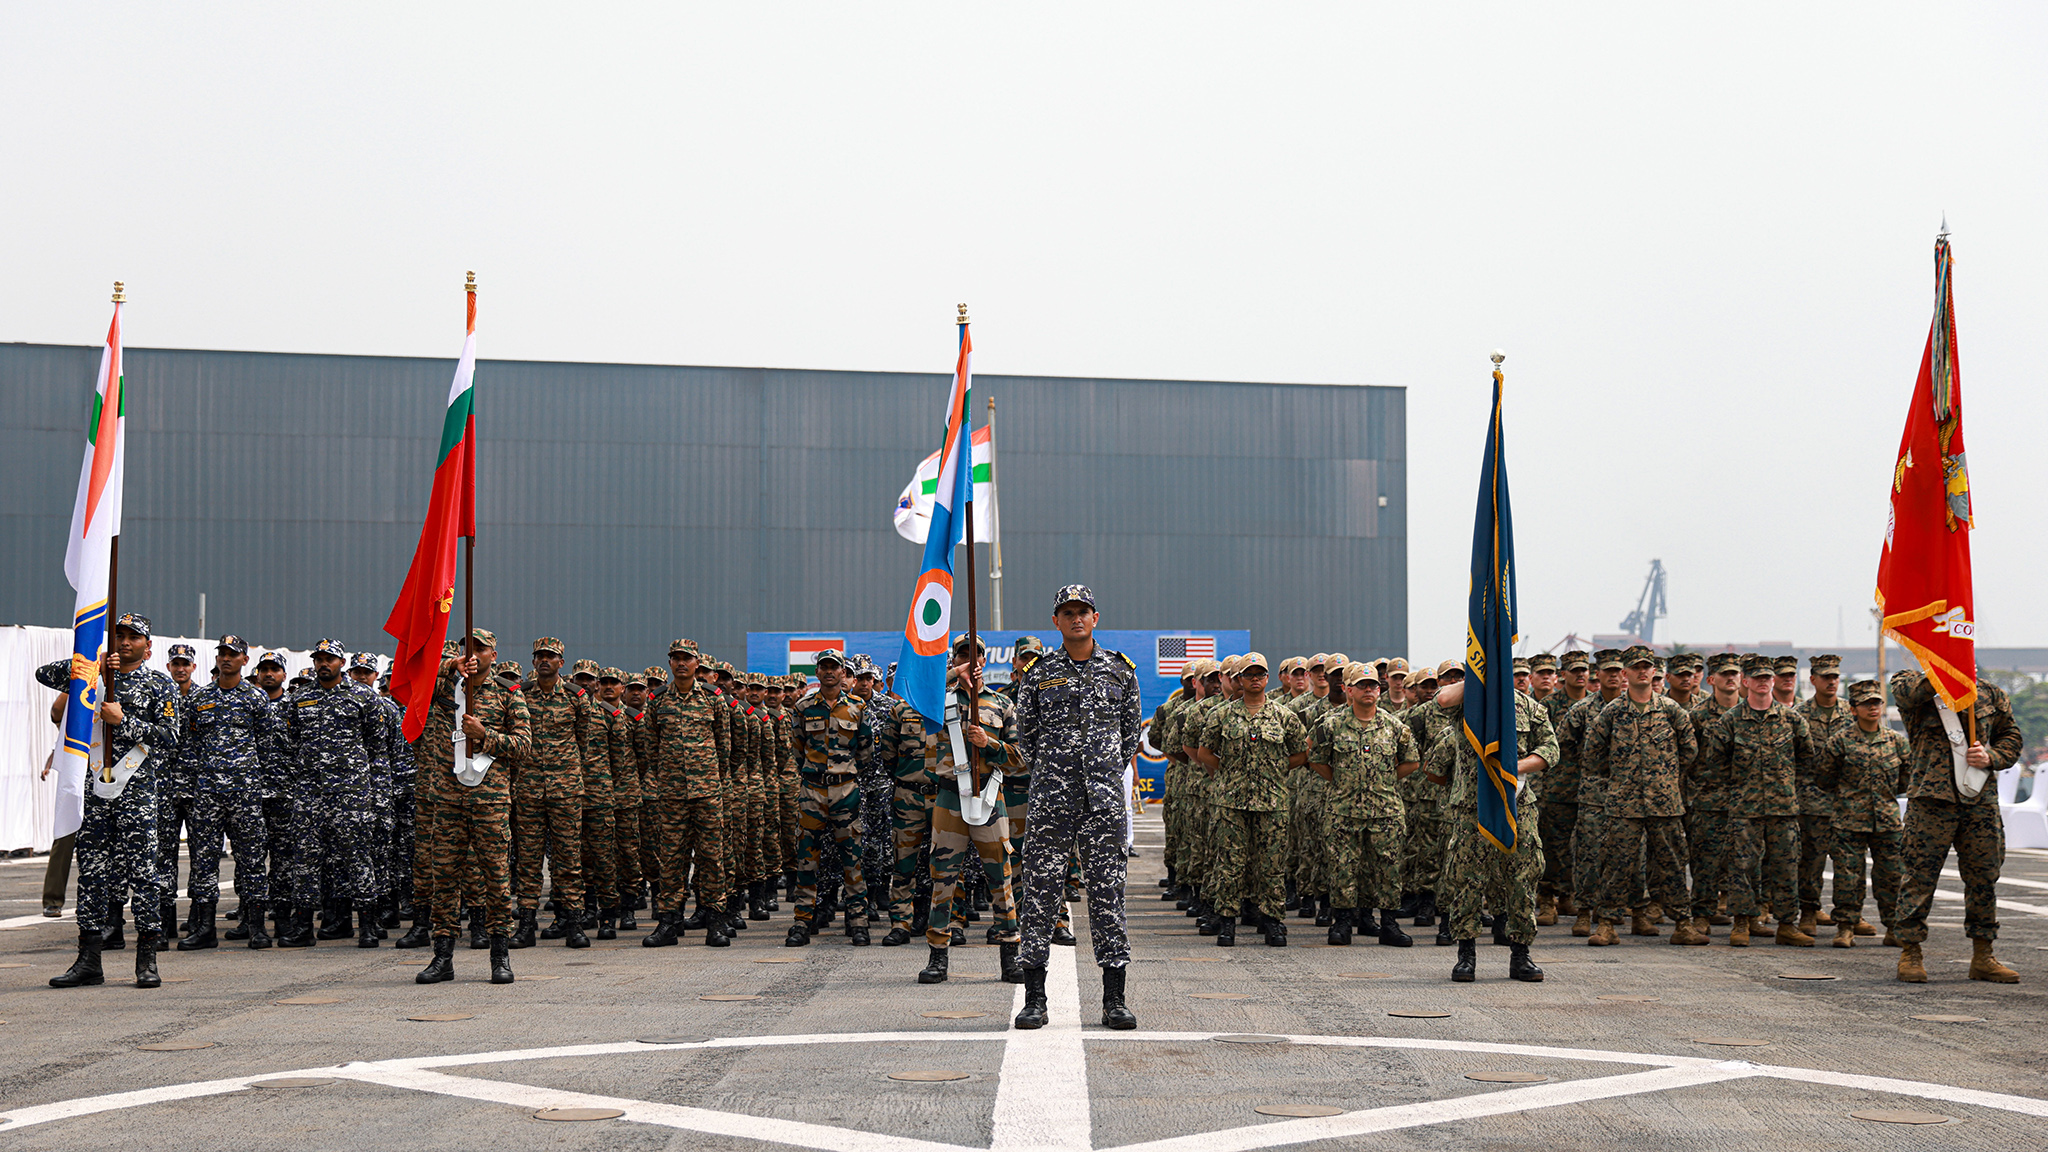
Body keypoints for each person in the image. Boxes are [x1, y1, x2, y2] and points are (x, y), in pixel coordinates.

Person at [1012, 585, 1144, 1031]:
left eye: (1082, 612)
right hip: (1052, 799)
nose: (1076, 619)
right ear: (1056, 621)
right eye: (1067, 613)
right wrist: (1055, 771)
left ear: (1095, 617)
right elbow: (1026, 736)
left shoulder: (1120, 671)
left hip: (1103, 802)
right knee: (1040, 894)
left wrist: (1102, 772)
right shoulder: (1039, 672)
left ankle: (1114, 999)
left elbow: (1128, 737)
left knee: (1108, 896)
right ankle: (1034, 999)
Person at [41, 613, 179, 990]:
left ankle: (146, 959)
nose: (125, 642)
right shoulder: (93, 675)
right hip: (95, 793)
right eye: (118, 635)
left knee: (144, 876)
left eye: (133, 637)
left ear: (147, 646)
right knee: (93, 875)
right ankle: (88, 960)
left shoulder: (158, 684)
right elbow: (44, 674)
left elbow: (170, 736)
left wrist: (125, 721)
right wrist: (95, 665)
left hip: (136, 793)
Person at [890, 636, 1026, 984]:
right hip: (949, 799)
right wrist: (953, 673)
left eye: (974, 654)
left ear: (983, 658)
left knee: (1001, 879)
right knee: (943, 880)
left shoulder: (1001, 705)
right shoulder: (938, 701)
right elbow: (912, 690)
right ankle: (938, 957)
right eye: (962, 654)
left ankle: (1010, 953)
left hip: (990, 798)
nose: (970, 659)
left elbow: (1021, 757)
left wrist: (989, 744)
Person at [1890, 666, 2023, 983]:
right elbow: (1907, 697)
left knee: (1984, 876)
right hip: (1931, 798)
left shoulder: (1990, 693)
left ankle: (1983, 955)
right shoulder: (1912, 683)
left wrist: (1991, 756)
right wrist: (1943, 669)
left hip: (1979, 798)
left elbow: (2012, 736)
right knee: (1919, 876)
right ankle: (1910, 952)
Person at [412, 629, 531, 985]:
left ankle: (500, 956)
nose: (474, 654)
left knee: (495, 877)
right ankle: (442, 956)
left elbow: (524, 746)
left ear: (494, 655)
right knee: (444, 878)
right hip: (448, 797)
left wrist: (486, 735)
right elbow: (414, 684)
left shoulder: (509, 695)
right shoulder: (446, 687)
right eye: (468, 649)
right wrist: (450, 665)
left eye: (481, 649)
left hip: (489, 799)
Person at [1427, 668, 1555, 983]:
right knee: (1467, 880)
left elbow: (1549, 750)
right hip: (1472, 805)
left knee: (1521, 878)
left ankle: (1521, 954)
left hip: (1517, 805)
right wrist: (1477, 670)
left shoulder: (1529, 707)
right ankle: (1466, 954)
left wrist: (1513, 768)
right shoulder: (1467, 702)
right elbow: (1441, 698)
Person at [1581, 645, 1703, 945]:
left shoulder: (1671, 710)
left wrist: (1665, 776)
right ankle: (1608, 924)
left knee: (1673, 863)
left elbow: (1690, 750)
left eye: (1647, 666)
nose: (1643, 671)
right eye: (1636, 667)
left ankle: (1683, 924)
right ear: (1625, 674)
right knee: (1616, 864)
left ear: (1654, 672)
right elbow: (1593, 753)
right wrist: (1620, 778)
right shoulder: (1612, 712)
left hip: (1665, 802)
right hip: (1624, 802)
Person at [1698, 655, 1815, 947]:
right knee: (1742, 866)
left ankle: (1787, 924)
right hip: (1744, 808)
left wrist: (1787, 787)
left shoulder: (1792, 720)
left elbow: (1806, 761)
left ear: (1773, 682)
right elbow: (1716, 763)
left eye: (1767, 678)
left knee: (1786, 866)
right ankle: (1742, 922)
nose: (1763, 683)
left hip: (1783, 807)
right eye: (1757, 678)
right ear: (1746, 682)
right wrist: (1739, 790)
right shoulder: (1730, 721)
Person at [1193, 652, 1308, 947]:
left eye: (1260, 675)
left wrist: (1277, 771)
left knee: (1271, 864)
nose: (1255, 679)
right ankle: (1227, 922)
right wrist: (1229, 772)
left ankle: (1272, 921)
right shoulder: (1222, 715)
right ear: (1239, 680)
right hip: (1230, 802)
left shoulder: (1284, 716)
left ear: (1267, 679)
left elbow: (1300, 752)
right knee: (1229, 864)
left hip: (1272, 802)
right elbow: (1205, 752)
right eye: (1249, 675)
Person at [176, 635, 283, 951]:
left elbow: (267, 745)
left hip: (245, 793)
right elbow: (190, 743)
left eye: (233, 655)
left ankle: (256, 927)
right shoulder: (200, 698)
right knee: (204, 860)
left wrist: (261, 786)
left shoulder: (255, 698)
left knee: (251, 859)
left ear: (244, 660)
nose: (226, 659)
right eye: (222, 653)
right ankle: (205, 928)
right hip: (208, 793)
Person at [282, 639, 389, 949]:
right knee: (306, 859)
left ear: (342, 663)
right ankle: (304, 927)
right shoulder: (300, 699)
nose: (323, 663)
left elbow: (376, 744)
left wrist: (371, 788)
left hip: (350, 792)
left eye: (330, 659)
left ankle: (368, 926)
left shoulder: (363, 698)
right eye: (319, 659)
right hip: (311, 793)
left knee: (358, 857)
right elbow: (287, 740)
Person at [1308, 662, 1420, 946]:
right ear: (1349, 690)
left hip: (1386, 810)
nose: (1369, 690)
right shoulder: (1331, 725)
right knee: (1342, 867)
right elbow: (1317, 760)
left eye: (1373, 686)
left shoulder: (1395, 726)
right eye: (1362, 685)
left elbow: (1412, 761)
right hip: (1342, 809)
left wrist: (1384, 780)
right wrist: (1343, 782)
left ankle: (1389, 924)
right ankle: (1342, 922)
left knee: (1388, 868)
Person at [643, 640, 728, 947]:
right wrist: (665, 777)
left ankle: (715, 921)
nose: (681, 663)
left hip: (706, 792)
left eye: (687, 659)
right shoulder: (657, 700)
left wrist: (714, 780)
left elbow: (724, 745)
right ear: (670, 663)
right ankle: (668, 922)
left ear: (697, 663)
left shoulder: (713, 699)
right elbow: (650, 746)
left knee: (711, 857)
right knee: (671, 858)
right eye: (676, 658)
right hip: (672, 793)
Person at [787, 649, 874, 947]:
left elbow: (864, 751)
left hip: (846, 791)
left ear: (841, 672)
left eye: (833, 667)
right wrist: (814, 774)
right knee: (807, 858)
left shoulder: (857, 708)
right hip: (812, 790)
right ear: (817, 673)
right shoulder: (803, 707)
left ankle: (859, 922)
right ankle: (802, 922)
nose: (828, 672)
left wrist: (845, 776)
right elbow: (797, 748)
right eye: (823, 667)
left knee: (852, 858)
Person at [1815, 679, 1907, 949]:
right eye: (1866, 704)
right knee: (1848, 877)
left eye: (1876, 703)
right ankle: (1845, 927)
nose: (1872, 708)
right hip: (1848, 821)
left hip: (1887, 820)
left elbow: (1906, 779)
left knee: (1891, 876)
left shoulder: (1896, 742)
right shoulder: (1840, 742)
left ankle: (1893, 926)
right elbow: (1824, 778)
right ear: (1853, 709)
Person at [1794, 654, 1852, 935]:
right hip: (1811, 800)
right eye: (1826, 677)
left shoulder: (1853, 713)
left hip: (1848, 802)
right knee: (1811, 861)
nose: (1831, 681)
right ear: (1813, 679)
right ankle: (1808, 911)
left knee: (1848, 863)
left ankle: (1848, 917)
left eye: (1835, 677)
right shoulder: (1799, 715)